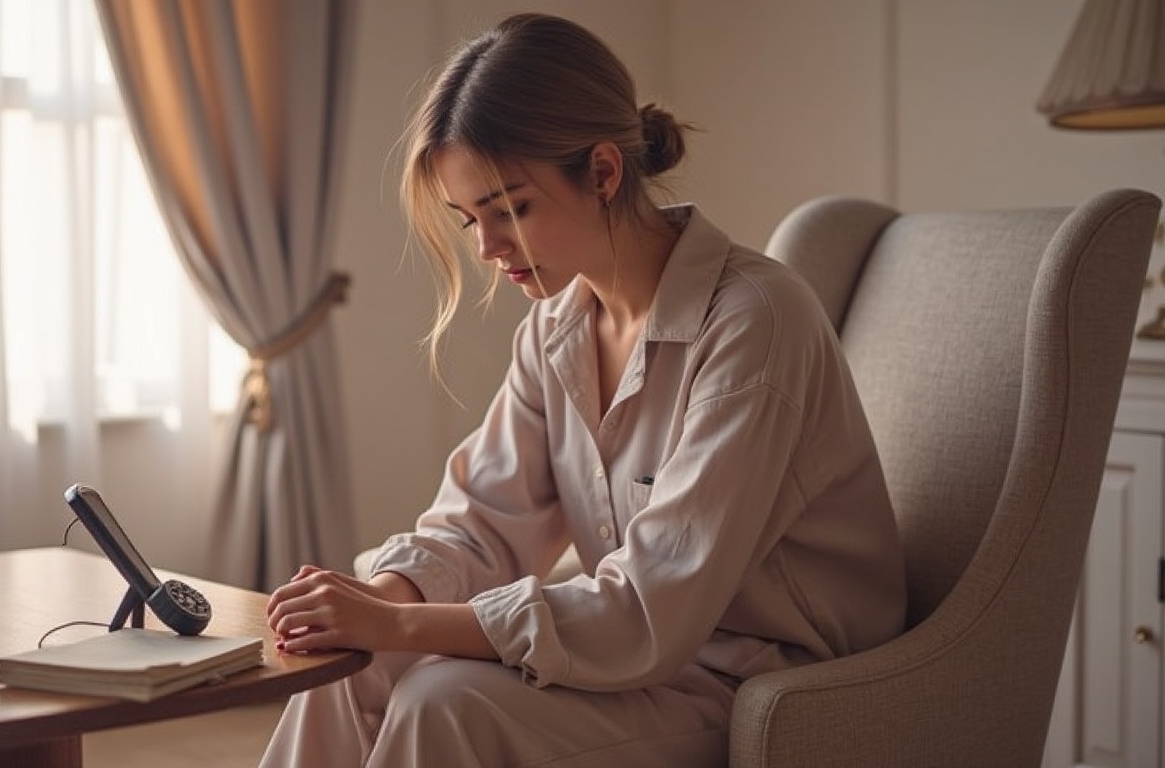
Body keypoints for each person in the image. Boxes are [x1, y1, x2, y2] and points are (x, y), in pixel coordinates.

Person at [259, 12, 906, 767]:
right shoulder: (558, 329)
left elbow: (651, 607)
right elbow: (484, 524)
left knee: (443, 703)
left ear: (603, 172)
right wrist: (381, 602)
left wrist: (400, 628)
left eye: (511, 211)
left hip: (764, 684)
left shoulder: (755, 322)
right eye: (469, 220)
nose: (488, 249)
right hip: (636, 662)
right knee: (352, 670)